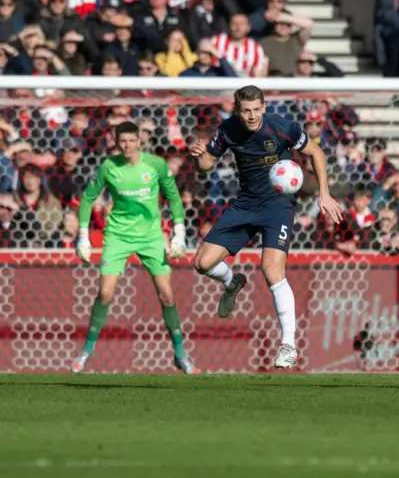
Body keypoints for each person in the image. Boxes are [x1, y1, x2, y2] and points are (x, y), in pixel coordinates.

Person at [189, 85, 343, 369]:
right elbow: (205, 165)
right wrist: (199, 155)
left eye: (255, 110)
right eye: (245, 111)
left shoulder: (283, 128)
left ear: (263, 107)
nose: (250, 116)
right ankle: (232, 282)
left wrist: (324, 193)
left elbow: (316, 153)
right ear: (238, 110)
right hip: (245, 205)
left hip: (278, 206)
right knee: (202, 262)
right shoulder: (228, 130)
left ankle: (288, 344)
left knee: (271, 269)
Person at [71, 121, 197, 374]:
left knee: (166, 294)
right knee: (105, 293)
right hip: (117, 234)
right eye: (122, 141)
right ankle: (87, 350)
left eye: (131, 140)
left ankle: (180, 353)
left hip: (150, 235)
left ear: (139, 141)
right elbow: (87, 198)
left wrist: (179, 233)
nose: (127, 145)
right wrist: (83, 236)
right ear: (117, 143)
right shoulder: (109, 167)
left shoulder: (156, 165)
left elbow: (173, 197)